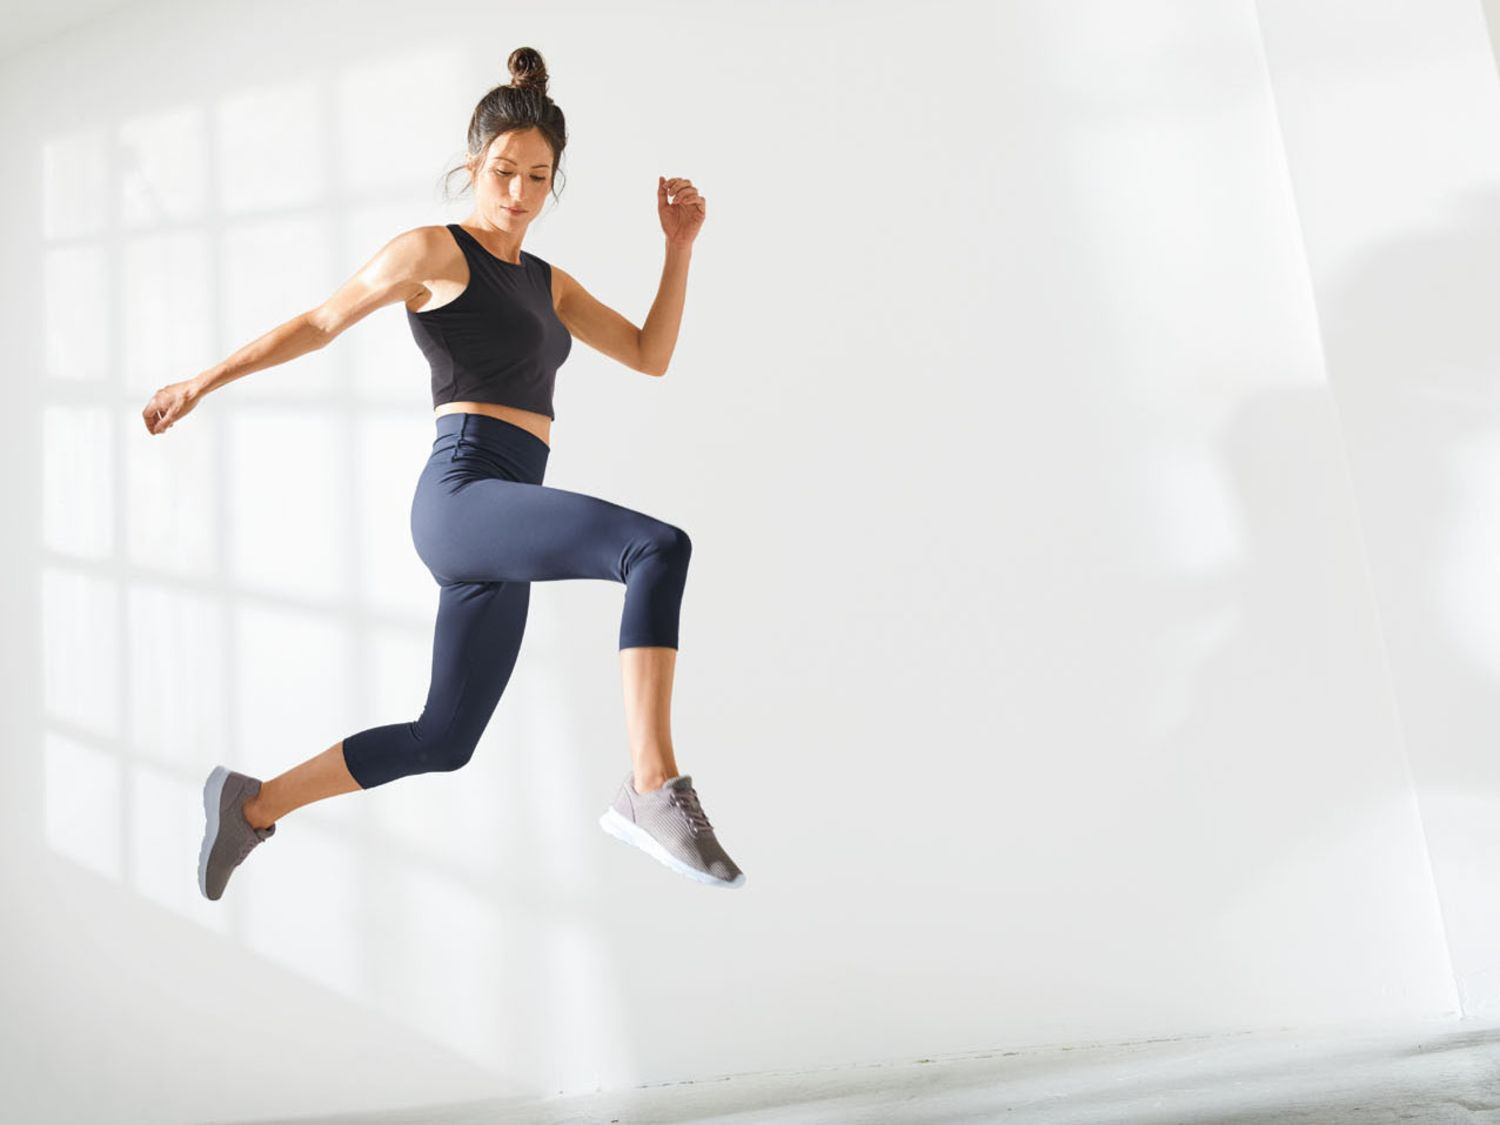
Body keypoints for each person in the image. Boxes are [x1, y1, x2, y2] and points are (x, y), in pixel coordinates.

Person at [144, 46, 745, 900]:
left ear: (553, 183)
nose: (518, 192)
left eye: (537, 177)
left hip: (508, 511)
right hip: (463, 496)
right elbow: (320, 322)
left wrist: (678, 248)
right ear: (473, 165)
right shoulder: (435, 250)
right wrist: (200, 382)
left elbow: (649, 354)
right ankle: (652, 784)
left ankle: (250, 805)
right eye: (503, 171)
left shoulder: (549, 284)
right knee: (655, 548)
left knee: (445, 738)